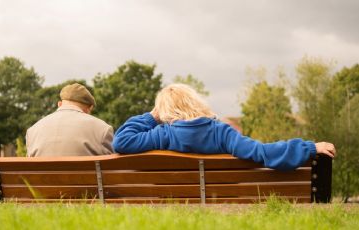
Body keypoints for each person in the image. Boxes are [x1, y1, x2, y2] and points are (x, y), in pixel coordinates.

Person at [112, 83, 336, 170]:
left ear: (165, 111)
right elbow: (261, 152)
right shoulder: (221, 132)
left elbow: (121, 141)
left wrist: (151, 117)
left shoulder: (161, 134)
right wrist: (309, 148)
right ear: (195, 102)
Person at [26, 83, 114, 157]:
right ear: (89, 108)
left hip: (42, 178)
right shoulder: (103, 129)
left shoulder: (32, 131)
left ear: (59, 104)